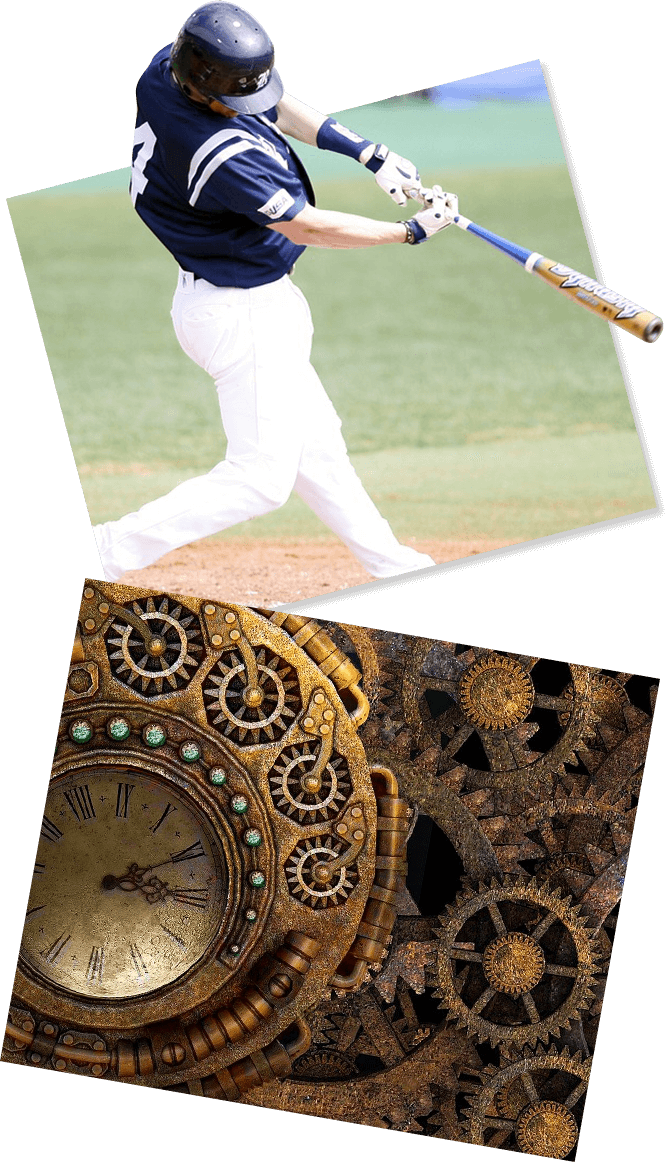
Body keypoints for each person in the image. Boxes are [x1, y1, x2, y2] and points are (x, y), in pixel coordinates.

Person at [93, 1, 458, 584]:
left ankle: (395, 567)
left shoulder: (167, 69)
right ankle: (108, 549)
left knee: (318, 447)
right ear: (203, 88)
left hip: (231, 301)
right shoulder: (219, 156)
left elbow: (271, 103)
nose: (248, 105)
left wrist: (368, 151)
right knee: (261, 479)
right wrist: (408, 232)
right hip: (241, 311)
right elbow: (304, 225)